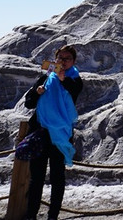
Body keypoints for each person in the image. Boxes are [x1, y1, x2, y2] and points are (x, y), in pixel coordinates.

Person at [24, 45, 83, 220]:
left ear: (73, 62)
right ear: (55, 59)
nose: (63, 62)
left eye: (67, 59)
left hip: (60, 134)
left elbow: (74, 90)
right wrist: (37, 92)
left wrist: (62, 79)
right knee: (36, 177)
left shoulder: (74, 79)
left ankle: (53, 216)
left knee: (57, 178)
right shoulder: (45, 78)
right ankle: (31, 214)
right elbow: (29, 103)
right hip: (41, 132)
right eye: (60, 58)